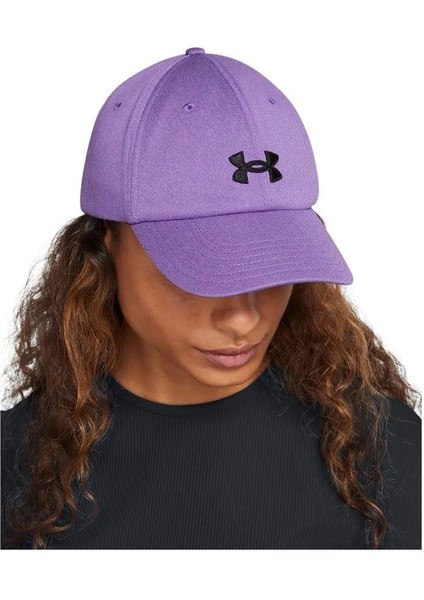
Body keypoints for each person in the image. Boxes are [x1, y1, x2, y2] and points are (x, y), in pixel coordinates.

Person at [1, 47, 421, 550]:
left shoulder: (382, 449)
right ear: (106, 244)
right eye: (199, 270)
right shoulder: (15, 465)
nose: (243, 317)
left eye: (273, 262)